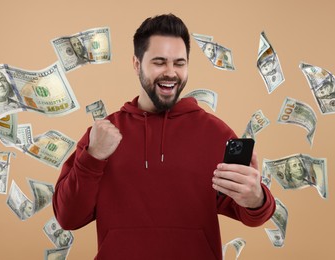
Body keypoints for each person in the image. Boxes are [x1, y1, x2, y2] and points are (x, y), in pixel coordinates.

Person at [53, 14, 275, 260]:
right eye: (159, 62)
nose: (171, 73)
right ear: (137, 64)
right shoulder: (103, 135)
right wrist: (93, 157)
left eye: (179, 63)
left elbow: (254, 215)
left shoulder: (215, 134)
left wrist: (257, 198)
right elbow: (67, 217)